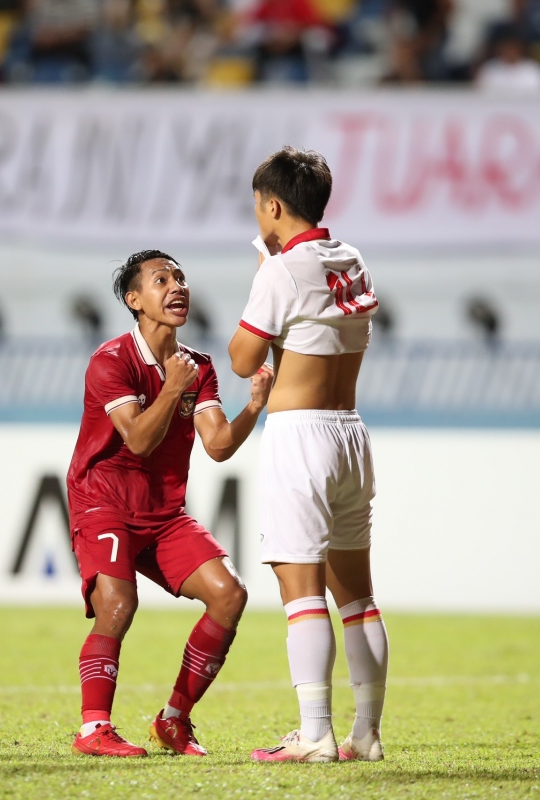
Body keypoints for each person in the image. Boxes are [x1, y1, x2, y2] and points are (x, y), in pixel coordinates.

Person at [66, 249, 274, 758]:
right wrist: (171, 387)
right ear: (134, 300)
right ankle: (94, 730)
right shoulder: (110, 361)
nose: (177, 286)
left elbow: (219, 444)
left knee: (229, 594)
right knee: (117, 604)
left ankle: (174, 720)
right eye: (162, 280)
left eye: (180, 277)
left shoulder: (197, 366)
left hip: (163, 513)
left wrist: (253, 406)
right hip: (104, 502)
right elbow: (137, 439)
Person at [228, 146, 387, 764]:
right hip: (350, 431)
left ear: (271, 204)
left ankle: (315, 732)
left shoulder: (281, 270)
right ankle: (366, 734)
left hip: (301, 436)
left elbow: (243, 359)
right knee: (358, 597)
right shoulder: (351, 258)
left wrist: (265, 269)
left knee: (301, 592)